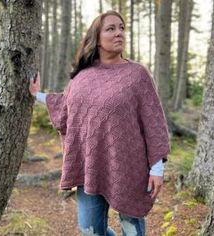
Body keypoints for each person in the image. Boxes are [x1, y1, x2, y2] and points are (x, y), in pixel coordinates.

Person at [29, 10, 170, 236]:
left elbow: (154, 121)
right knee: (89, 230)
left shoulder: (137, 74)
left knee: (132, 231)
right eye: (111, 28)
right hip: (90, 167)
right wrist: (38, 95)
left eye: (122, 28)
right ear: (97, 37)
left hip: (131, 167)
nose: (119, 33)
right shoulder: (83, 76)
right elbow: (65, 107)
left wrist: (157, 167)